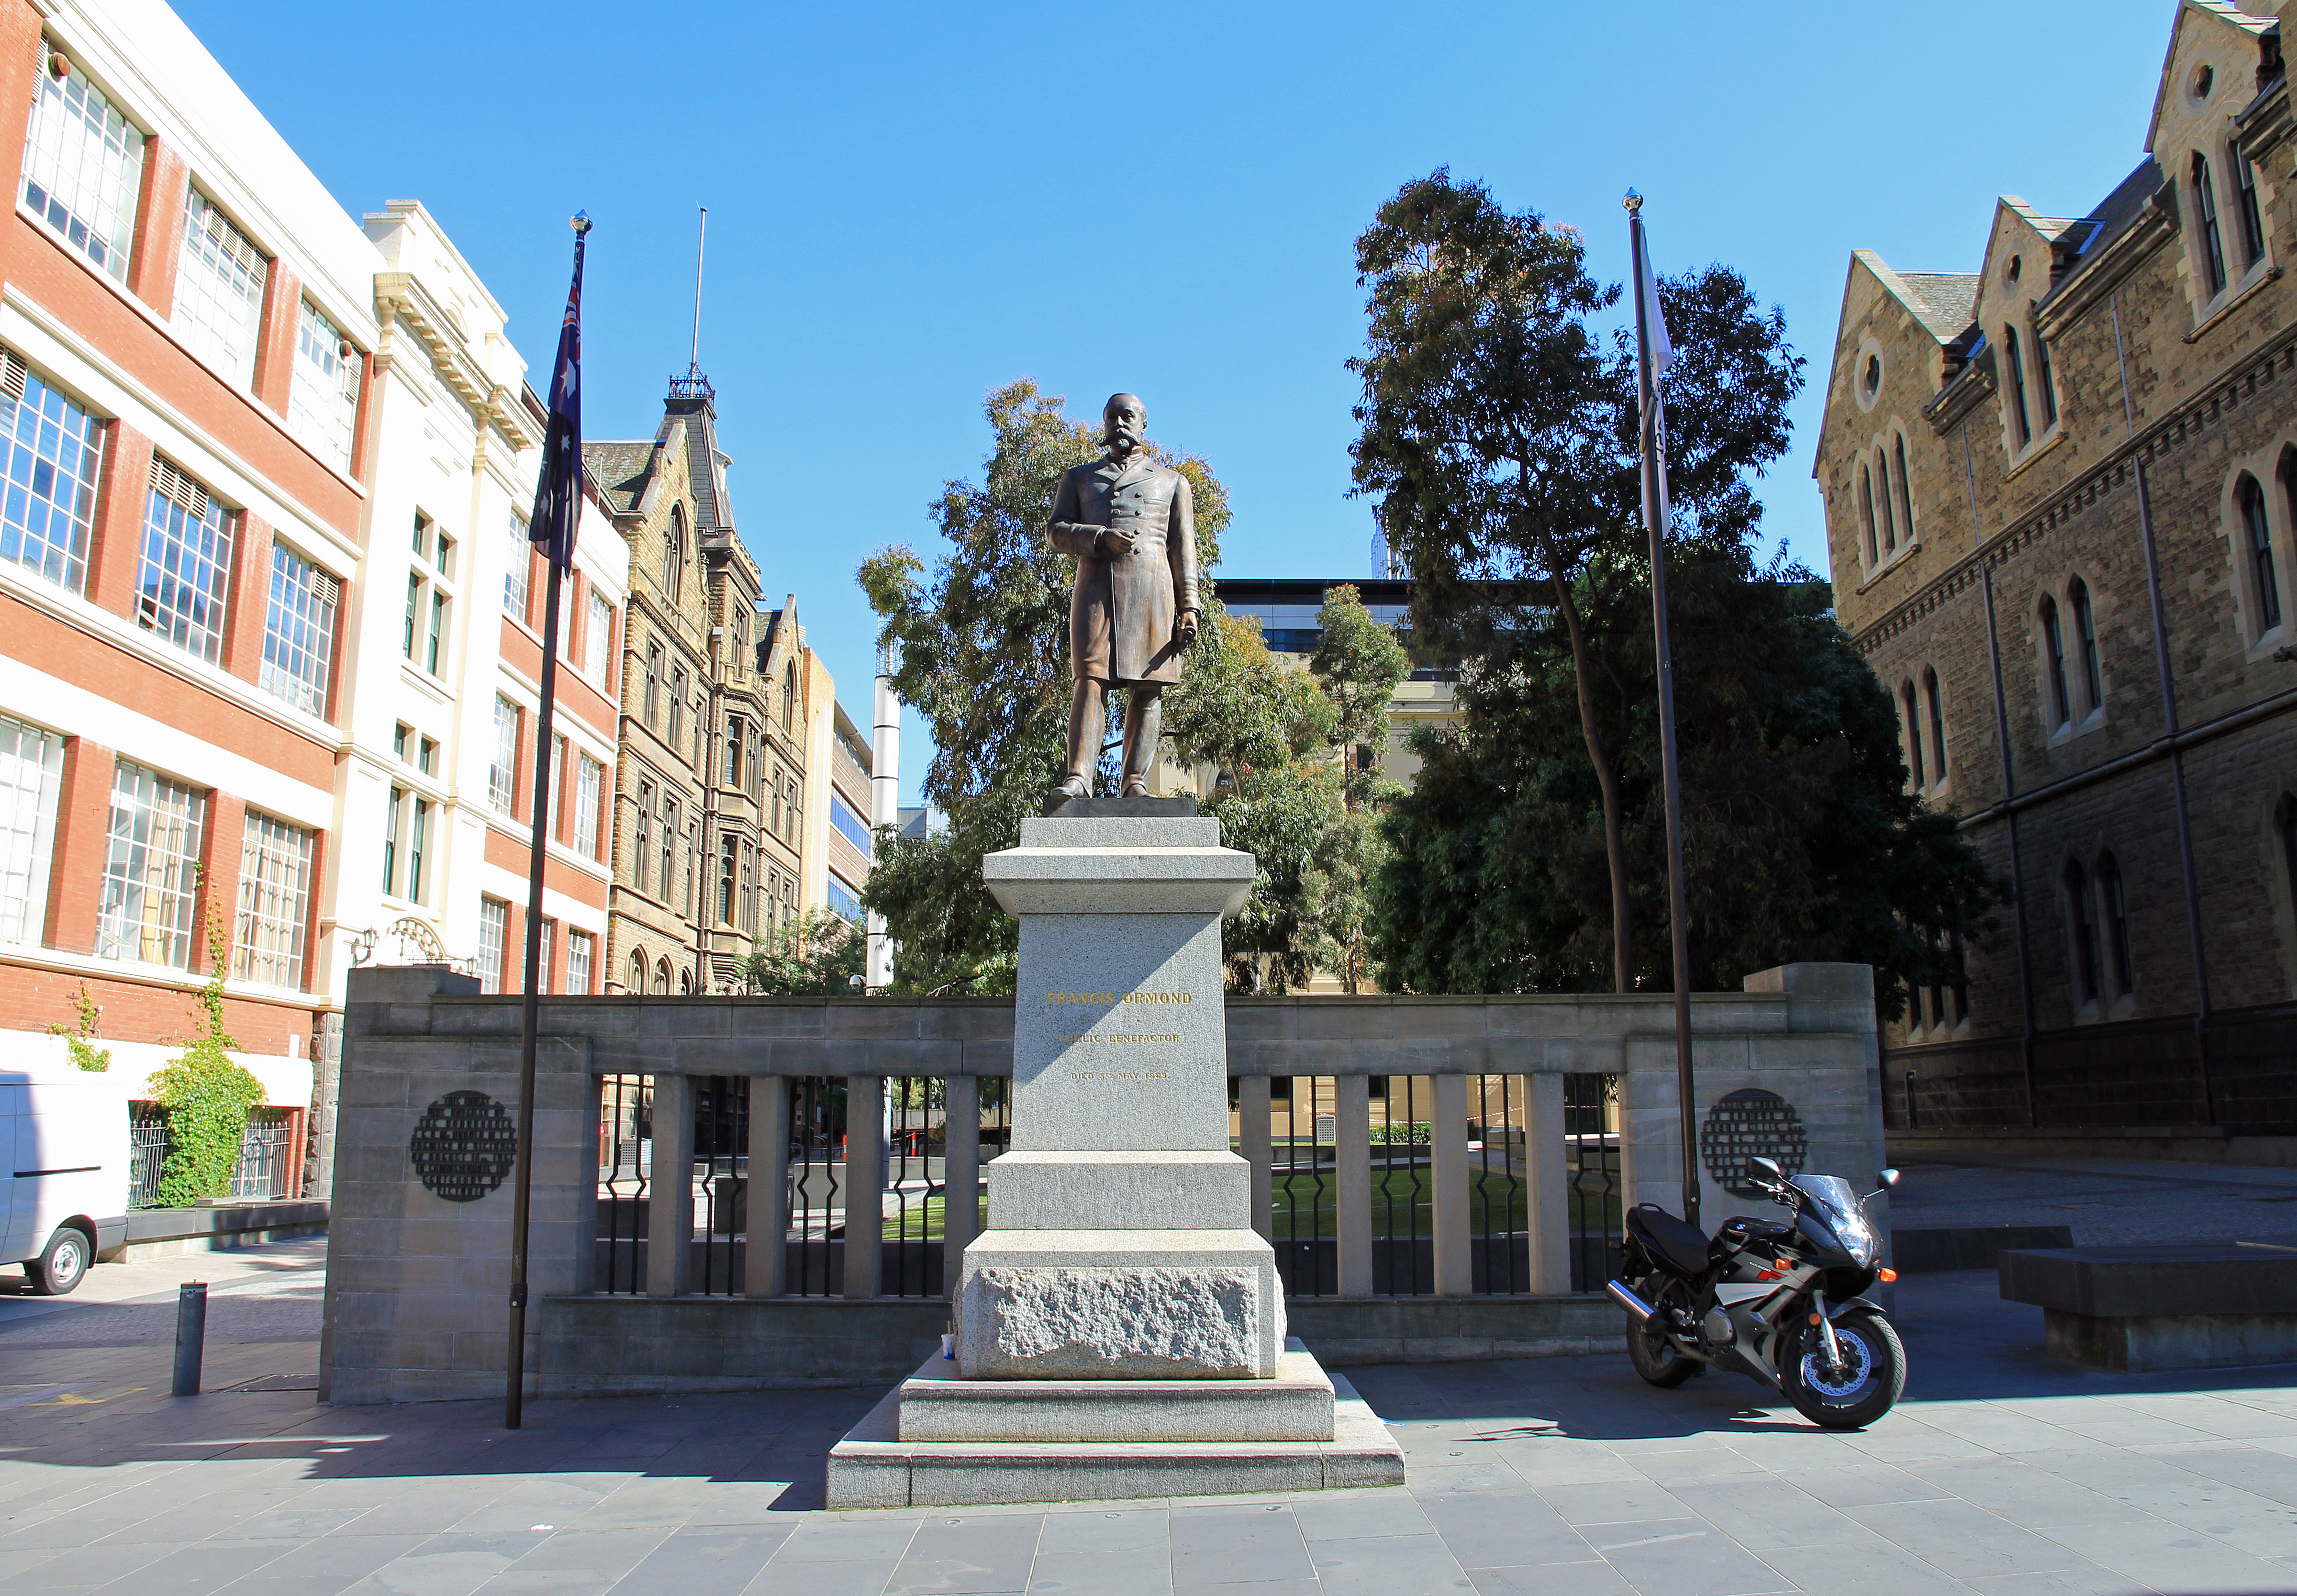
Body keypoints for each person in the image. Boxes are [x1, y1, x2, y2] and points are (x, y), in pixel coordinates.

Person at [1046, 392, 1200, 800]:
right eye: (1112, 417)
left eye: (1127, 416)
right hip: (1096, 588)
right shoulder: (1079, 478)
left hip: (1153, 590)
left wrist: (1189, 607)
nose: (1119, 423)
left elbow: (1183, 549)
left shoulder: (1171, 482)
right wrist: (1099, 538)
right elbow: (1056, 532)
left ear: (1143, 425)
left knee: (1148, 686)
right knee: (1090, 680)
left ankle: (1135, 781)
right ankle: (1078, 777)